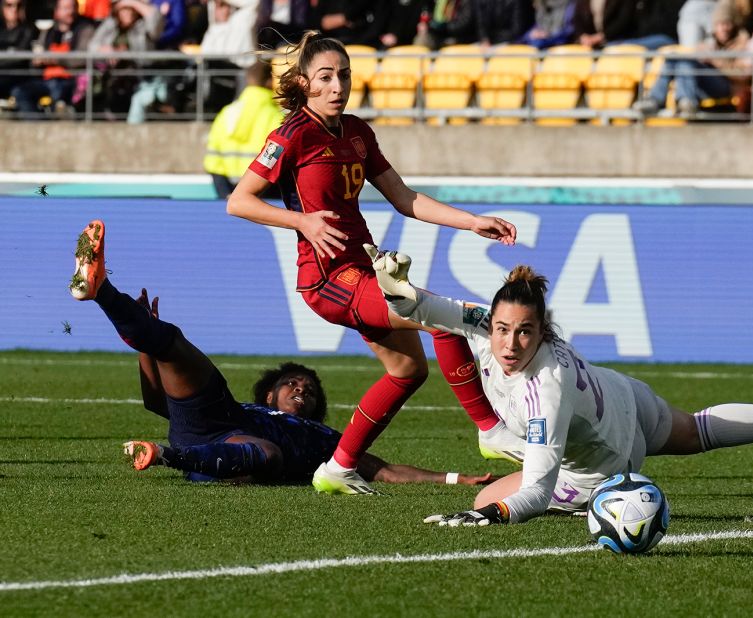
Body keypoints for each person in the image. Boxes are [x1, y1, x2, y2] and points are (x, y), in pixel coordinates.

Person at [367, 248, 753, 526]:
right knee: (698, 429)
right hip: (624, 398)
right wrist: (396, 289)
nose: (509, 342)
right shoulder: (486, 321)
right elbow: (429, 308)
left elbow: (538, 491)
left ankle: (607, 500)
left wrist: (489, 514)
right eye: (502, 329)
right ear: (491, 321)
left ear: (542, 332)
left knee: (488, 496)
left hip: (604, 465)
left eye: (524, 332)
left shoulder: (546, 389)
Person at [225, 32, 517, 497]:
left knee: (408, 371)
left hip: (365, 270)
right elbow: (239, 201)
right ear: (304, 83)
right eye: (325, 77)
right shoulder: (291, 135)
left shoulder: (358, 132)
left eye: (344, 75)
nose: (337, 86)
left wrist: (471, 221)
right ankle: (490, 429)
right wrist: (301, 221)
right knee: (444, 319)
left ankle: (339, 467)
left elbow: (404, 197)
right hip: (328, 279)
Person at [67, 220, 493, 489]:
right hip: (214, 421)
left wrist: (454, 478)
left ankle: (164, 456)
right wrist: (147, 349)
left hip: (230, 449)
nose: (301, 390)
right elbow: (156, 402)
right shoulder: (247, 409)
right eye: (292, 383)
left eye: (309, 390)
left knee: (269, 455)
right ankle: (100, 289)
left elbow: (384, 470)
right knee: (170, 342)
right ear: (269, 394)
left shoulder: (326, 440)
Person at [633, 2, 748, 118]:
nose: (723, 28)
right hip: (703, 83)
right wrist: (700, 55)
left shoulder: (742, 42)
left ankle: (684, 101)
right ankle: (657, 100)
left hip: (726, 86)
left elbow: (744, 75)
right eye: (719, 24)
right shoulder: (710, 42)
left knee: (687, 61)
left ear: (734, 25)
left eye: (727, 24)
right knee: (674, 58)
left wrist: (715, 61)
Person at [204, 61, 284, 198]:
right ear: (270, 81)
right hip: (265, 195)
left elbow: (213, 160)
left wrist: (226, 195)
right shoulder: (277, 117)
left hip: (230, 191)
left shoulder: (227, 112)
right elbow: (276, 162)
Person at [11, 0, 95, 118]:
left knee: (58, 98)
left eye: (72, 7)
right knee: (20, 92)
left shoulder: (85, 29)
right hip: (47, 80)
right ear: (56, 11)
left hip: (70, 80)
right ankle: (37, 124)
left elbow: (80, 59)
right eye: (65, 8)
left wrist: (53, 59)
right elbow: (36, 56)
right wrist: (37, 60)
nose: (70, 12)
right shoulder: (49, 32)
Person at [88, 0, 165, 118]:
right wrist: (107, 50)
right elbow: (92, 46)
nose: (128, 13)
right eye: (124, 9)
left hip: (138, 77)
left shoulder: (142, 27)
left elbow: (156, 18)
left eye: (131, 9)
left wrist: (132, 2)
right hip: (110, 78)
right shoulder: (110, 25)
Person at [0, 0, 36, 100]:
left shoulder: (29, 30)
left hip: (17, 77)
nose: (14, 9)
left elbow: (19, 57)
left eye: (18, 5)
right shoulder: (1, 30)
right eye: (9, 5)